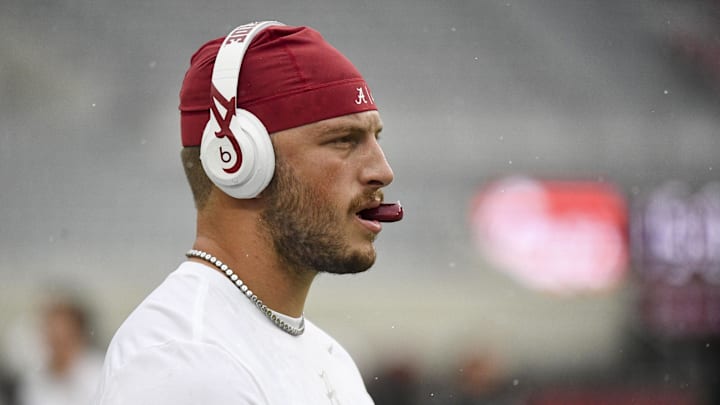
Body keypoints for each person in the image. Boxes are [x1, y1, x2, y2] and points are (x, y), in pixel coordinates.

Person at [94, 20, 401, 404]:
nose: (382, 170)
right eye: (344, 140)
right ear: (237, 161)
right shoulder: (187, 362)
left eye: (376, 138)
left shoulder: (330, 358)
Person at [18, 295, 103, 405]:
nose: (57, 347)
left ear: (80, 336)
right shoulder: (33, 381)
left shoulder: (99, 374)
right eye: (51, 336)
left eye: (63, 338)